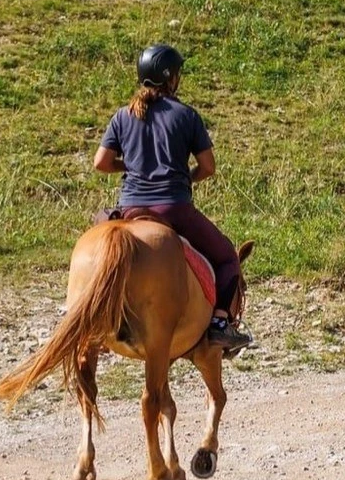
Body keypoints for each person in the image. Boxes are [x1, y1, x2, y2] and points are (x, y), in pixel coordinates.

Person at [93, 44, 250, 349]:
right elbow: (208, 167)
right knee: (227, 256)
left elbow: (100, 163)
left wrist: (132, 165)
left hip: (130, 208)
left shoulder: (122, 116)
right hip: (173, 207)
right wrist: (186, 177)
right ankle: (220, 322)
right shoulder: (186, 115)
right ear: (172, 78)